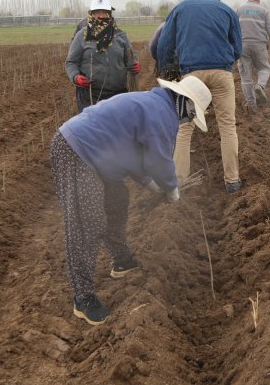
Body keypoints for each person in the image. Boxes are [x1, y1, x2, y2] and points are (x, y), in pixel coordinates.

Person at [50, 76, 212, 325]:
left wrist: (150, 183)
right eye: (191, 115)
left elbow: (136, 156)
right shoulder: (162, 113)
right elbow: (158, 160)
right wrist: (171, 189)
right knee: (88, 221)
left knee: (117, 200)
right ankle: (83, 298)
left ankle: (122, 259)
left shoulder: (155, 105)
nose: (188, 120)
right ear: (186, 104)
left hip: (97, 154)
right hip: (76, 149)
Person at [157, 0, 244, 193]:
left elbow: (164, 44)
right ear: (216, 0)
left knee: (184, 127)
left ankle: (179, 181)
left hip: (191, 75)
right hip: (222, 73)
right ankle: (232, 180)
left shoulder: (181, 8)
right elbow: (238, 48)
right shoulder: (227, 10)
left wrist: (166, 68)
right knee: (227, 126)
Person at [65, 0, 140, 113]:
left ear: (109, 14)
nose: (100, 15)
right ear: (91, 14)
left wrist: (135, 63)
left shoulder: (120, 35)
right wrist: (75, 77)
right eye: (97, 12)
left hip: (118, 95)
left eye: (104, 12)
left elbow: (130, 56)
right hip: (90, 95)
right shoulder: (82, 36)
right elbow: (71, 62)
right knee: (94, 129)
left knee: (116, 128)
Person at [234, 0, 270, 109]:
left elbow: (232, 28)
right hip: (260, 45)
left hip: (242, 46)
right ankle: (260, 86)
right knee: (264, 68)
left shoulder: (238, 10)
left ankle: (251, 104)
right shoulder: (264, 11)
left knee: (246, 75)